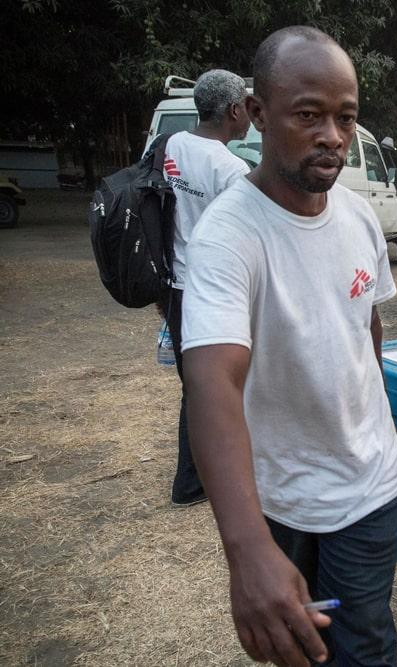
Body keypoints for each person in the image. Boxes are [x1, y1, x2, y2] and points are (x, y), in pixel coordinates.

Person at [181, 27, 397, 666]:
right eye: (308, 114)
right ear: (256, 113)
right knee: (300, 653)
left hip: (370, 488)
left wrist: (378, 424)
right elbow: (212, 381)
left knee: (363, 648)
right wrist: (247, 551)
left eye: (346, 117)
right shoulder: (230, 235)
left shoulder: (358, 217)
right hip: (280, 500)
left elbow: (367, 327)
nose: (332, 135)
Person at [157, 68, 251, 507]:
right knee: (223, 387)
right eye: (248, 107)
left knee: (195, 387)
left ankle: (192, 482)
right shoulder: (232, 170)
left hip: (174, 286)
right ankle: (200, 482)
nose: (251, 115)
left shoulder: (172, 146)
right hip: (214, 291)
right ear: (234, 111)